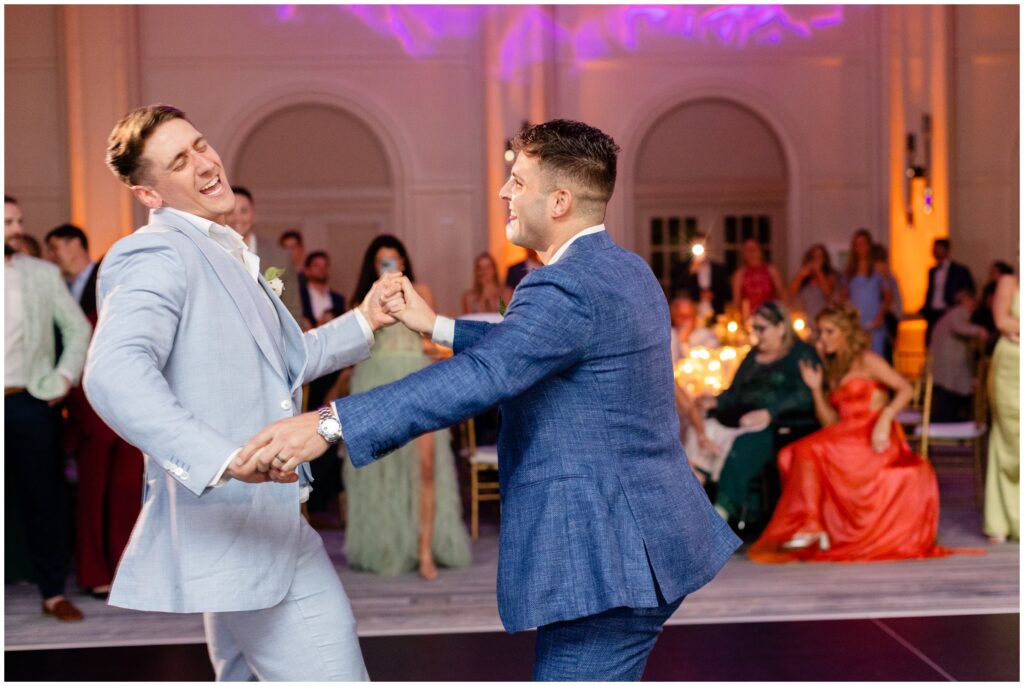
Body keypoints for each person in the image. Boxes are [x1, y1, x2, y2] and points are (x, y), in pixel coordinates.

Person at [238, 119, 740, 681]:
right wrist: (440, 326)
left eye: (518, 182)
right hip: (646, 537)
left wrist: (330, 424)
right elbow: (548, 349)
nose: (504, 193)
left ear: (559, 201)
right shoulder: (627, 269)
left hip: (606, 555)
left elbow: (491, 371)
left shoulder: (562, 284)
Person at [84, 103, 402, 680]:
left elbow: (286, 362)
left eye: (200, 144)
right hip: (243, 527)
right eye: (179, 161)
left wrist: (365, 319)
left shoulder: (222, 250)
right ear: (149, 194)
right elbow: (113, 374)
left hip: (248, 529)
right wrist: (224, 459)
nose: (205, 163)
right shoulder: (155, 252)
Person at [749, 303, 950, 562]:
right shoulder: (833, 369)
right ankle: (811, 524)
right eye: (820, 333)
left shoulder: (867, 360)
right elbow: (830, 422)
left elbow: (905, 389)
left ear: (846, 332)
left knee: (806, 449)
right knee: (788, 454)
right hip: (845, 435)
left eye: (829, 332)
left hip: (872, 433)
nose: (823, 339)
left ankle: (812, 525)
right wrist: (815, 389)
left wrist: (885, 417)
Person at [342, 234, 471, 580]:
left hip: (418, 383)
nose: (390, 266)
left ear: (403, 262)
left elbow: (434, 340)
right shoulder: (363, 300)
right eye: (383, 261)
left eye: (395, 259)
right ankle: (387, 546)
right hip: (375, 383)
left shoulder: (421, 293)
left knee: (426, 467)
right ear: (374, 266)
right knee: (381, 470)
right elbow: (352, 349)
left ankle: (425, 550)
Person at [44, 223, 143, 599]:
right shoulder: (86, 314)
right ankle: (95, 572)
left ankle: (126, 570)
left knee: (126, 494)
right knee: (94, 496)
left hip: (132, 413)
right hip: (93, 411)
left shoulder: (141, 312)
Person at [5, 199, 93, 622]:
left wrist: (62, 377)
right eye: (8, 222)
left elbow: (78, 327)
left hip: (27, 400)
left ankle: (54, 592)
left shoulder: (40, 274)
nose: (17, 229)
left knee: (44, 500)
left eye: (19, 220)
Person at [696, 301, 820, 527]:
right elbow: (735, 392)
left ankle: (722, 511)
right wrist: (715, 401)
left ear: (782, 327)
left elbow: (804, 395)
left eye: (762, 329)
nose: (757, 336)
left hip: (781, 424)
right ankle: (697, 499)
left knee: (746, 443)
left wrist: (770, 413)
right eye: (755, 329)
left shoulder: (801, 354)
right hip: (740, 417)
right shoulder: (753, 356)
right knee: (702, 430)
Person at [299, 249, 349, 527]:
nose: (321, 269)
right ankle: (313, 504)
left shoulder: (339, 299)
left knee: (330, 433)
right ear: (307, 269)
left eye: (325, 265)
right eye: (316, 265)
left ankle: (323, 501)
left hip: (332, 374)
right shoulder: (299, 297)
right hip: (308, 377)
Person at [226, 185, 305, 326]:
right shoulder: (215, 252)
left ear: (253, 214)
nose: (237, 218)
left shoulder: (279, 257)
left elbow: (293, 311)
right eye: (231, 211)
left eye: (243, 211)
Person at [984, 273, 1019, 543]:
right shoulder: (1010, 281)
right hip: (1011, 368)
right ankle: (1003, 519)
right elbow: (1001, 321)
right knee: (1010, 437)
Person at [928, 287, 987, 422]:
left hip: (946, 366)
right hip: (949, 366)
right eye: (972, 300)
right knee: (948, 402)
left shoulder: (953, 314)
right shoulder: (958, 312)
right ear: (965, 300)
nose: (974, 304)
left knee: (947, 400)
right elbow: (959, 328)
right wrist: (979, 330)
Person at [839, 229, 890, 356]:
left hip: (874, 320)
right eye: (857, 244)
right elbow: (844, 296)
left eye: (863, 243)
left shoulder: (879, 267)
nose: (860, 247)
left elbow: (888, 296)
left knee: (875, 356)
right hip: (856, 320)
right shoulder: (849, 270)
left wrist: (880, 317)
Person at [921, 238, 976, 342]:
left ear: (946, 250)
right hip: (933, 312)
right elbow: (931, 291)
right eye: (934, 249)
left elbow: (969, 290)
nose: (934, 251)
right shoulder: (932, 271)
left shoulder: (960, 270)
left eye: (938, 248)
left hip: (949, 310)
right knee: (931, 341)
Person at [670, 232, 732, 318]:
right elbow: (675, 291)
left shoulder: (719, 269)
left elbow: (727, 295)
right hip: (689, 315)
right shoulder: (682, 268)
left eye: (703, 246)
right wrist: (690, 272)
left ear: (708, 247)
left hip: (716, 315)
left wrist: (712, 295)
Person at [731, 239, 786, 323]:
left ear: (761, 251)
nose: (751, 252)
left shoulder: (771, 270)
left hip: (770, 318)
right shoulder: (740, 274)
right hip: (748, 319)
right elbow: (736, 302)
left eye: (754, 249)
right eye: (747, 249)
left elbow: (782, 296)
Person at [788, 243, 836, 335]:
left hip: (822, 320)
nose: (816, 260)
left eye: (819, 257)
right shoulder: (805, 279)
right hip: (804, 323)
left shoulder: (830, 276)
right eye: (813, 257)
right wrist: (800, 275)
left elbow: (828, 293)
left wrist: (818, 272)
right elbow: (791, 293)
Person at [972, 261, 1015, 355]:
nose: (992, 274)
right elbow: (985, 304)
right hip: (988, 317)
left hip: (1002, 320)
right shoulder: (989, 288)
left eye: (995, 271)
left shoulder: (1011, 287)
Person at [871, 244, 903, 362]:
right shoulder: (888, 275)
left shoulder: (883, 275)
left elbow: (889, 298)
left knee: (884, 354)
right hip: (887, 318)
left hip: (886, 318)